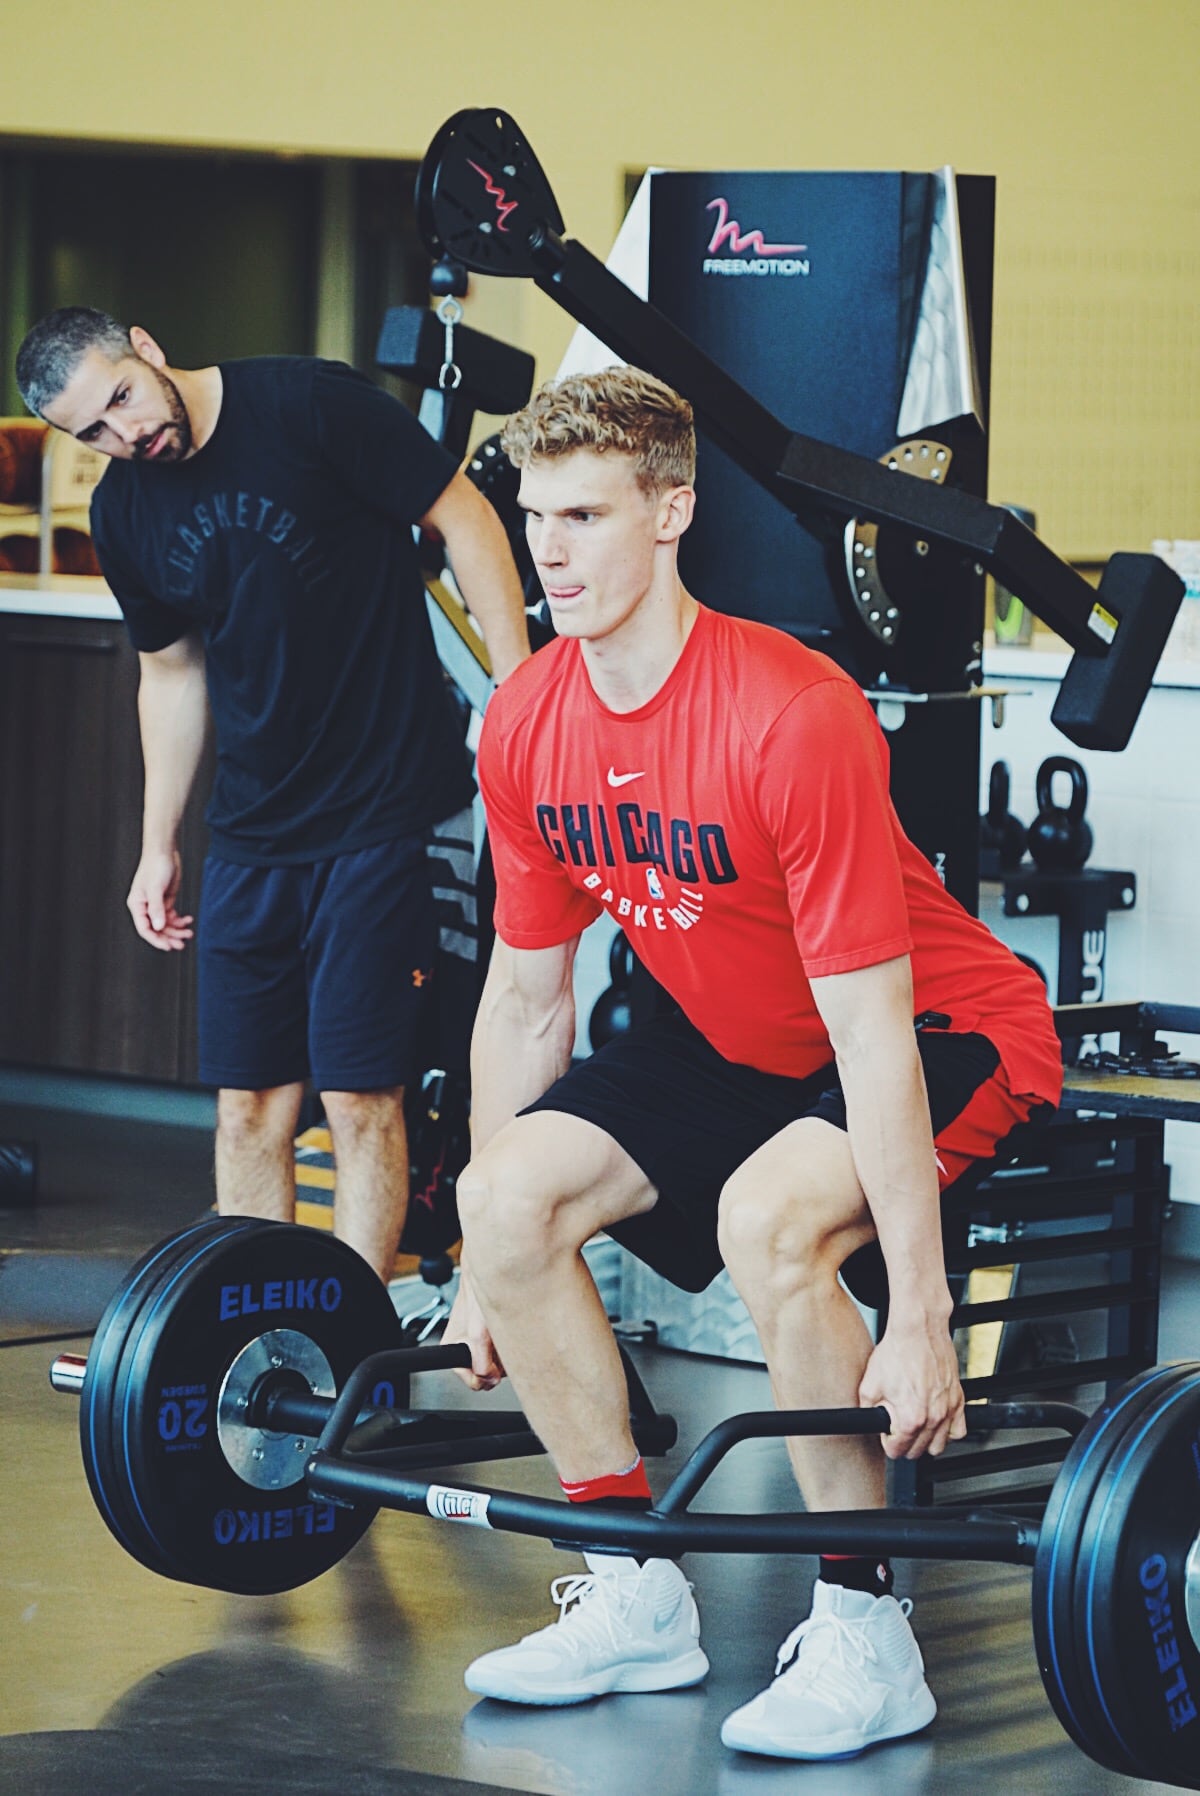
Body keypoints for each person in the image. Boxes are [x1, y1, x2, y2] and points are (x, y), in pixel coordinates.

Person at [443, 366, 1063, 1760]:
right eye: (534, 515)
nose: (548, 550)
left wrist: (917, 1312)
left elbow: (869, 1031)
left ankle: (864, 1629)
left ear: (672, 512)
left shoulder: (791, 711)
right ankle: (632, 1588)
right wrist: (482, 1269)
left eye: (585, 516)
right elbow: (526, 1001)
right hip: (738, 1036)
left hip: (945, 1029)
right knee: (505, 1203)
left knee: (770, 1222)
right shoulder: (527, 719)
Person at [15, 307, 529, 1282]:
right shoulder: (126, 510)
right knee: (248, 1103)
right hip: (251, 830)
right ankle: (261, 1325)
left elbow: (463, 514)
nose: (124, 435)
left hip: (384, 810)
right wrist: (157, 841)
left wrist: (520, 701)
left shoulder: (306, 402)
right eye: (92, 430)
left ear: (148, 345)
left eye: (121, 397)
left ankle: (353, 1344)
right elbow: (170, 674)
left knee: (358, 1094)